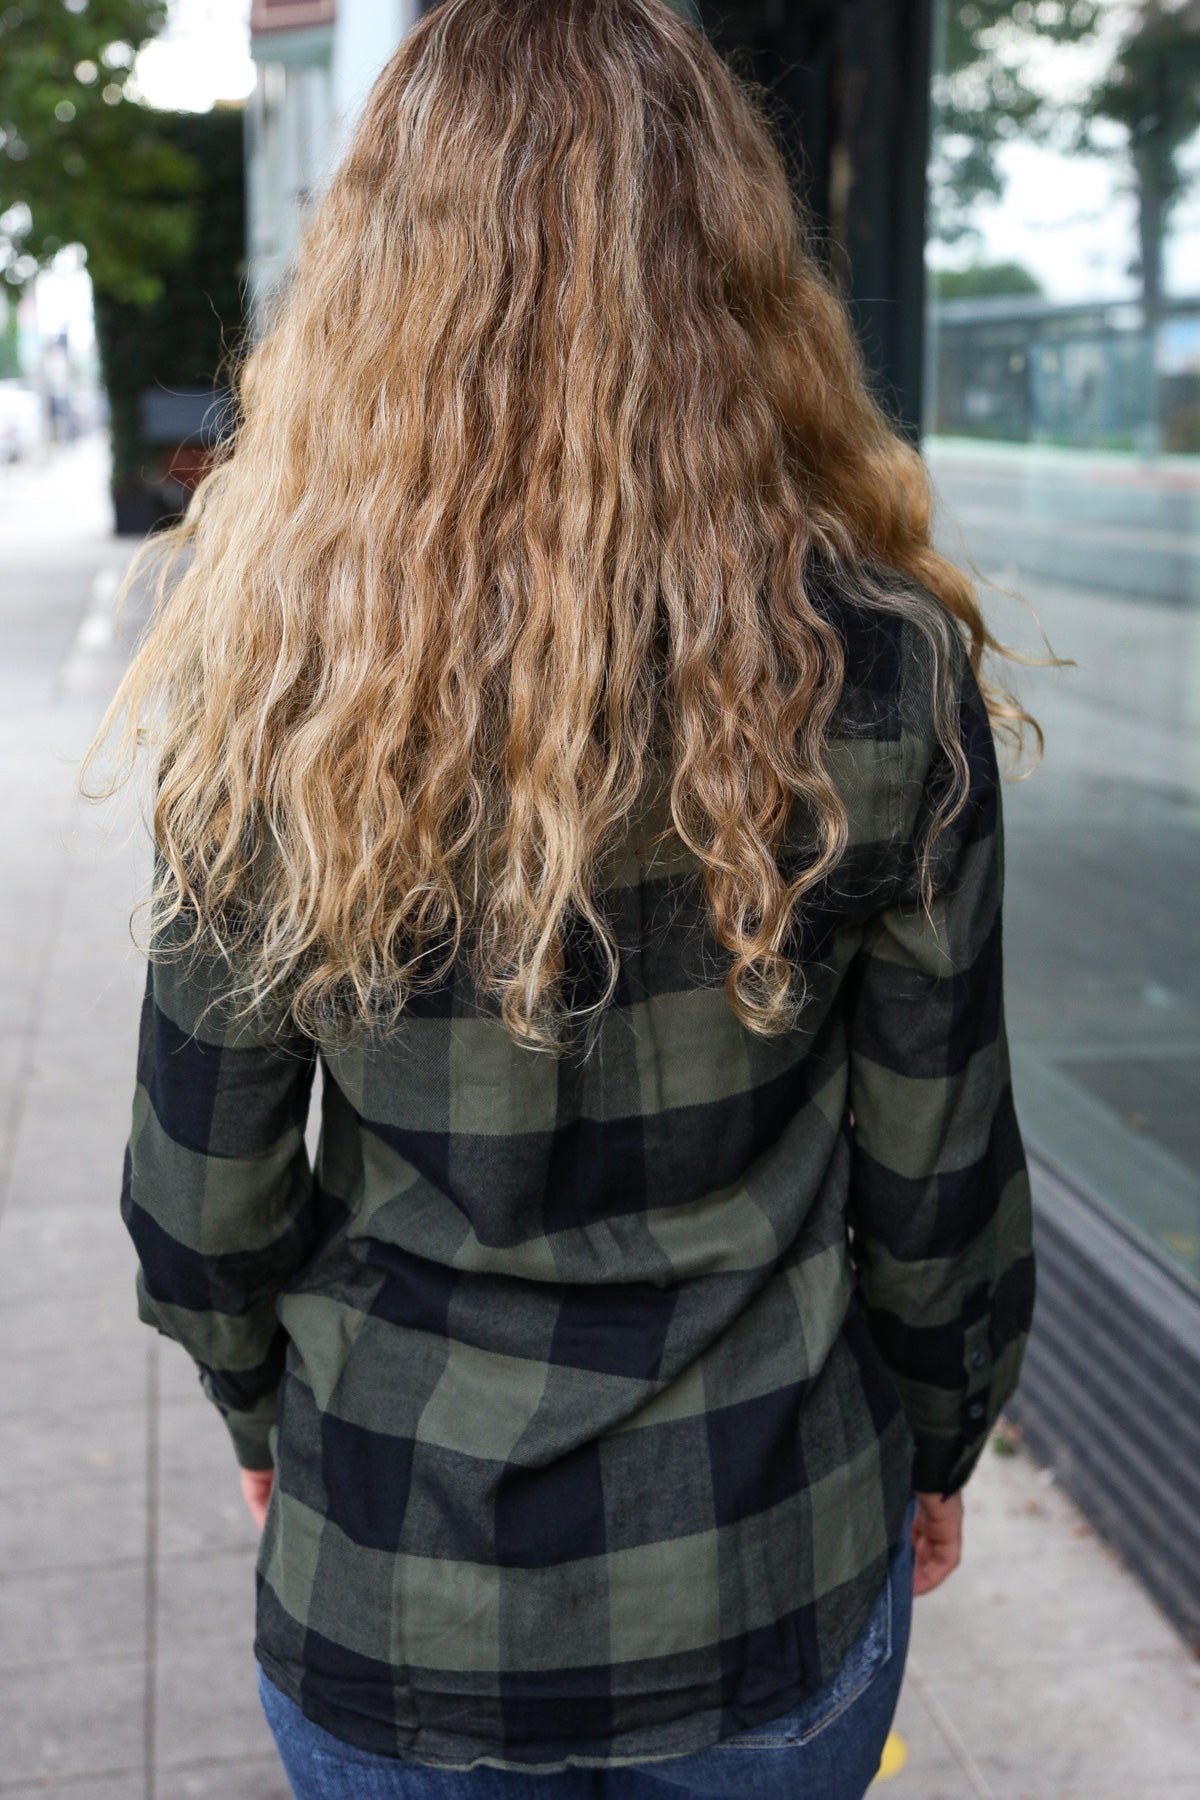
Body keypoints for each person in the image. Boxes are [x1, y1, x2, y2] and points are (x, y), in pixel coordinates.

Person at [78, 1, 1040, 1794]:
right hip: (768, 1575)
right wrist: (941, 1436)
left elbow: (200, 1191)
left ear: (377, 292)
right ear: (734, 277)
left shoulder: (279, 690)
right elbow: (940, 1182)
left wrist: (252, 1406)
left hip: (395, 1591)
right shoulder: (884, 682)